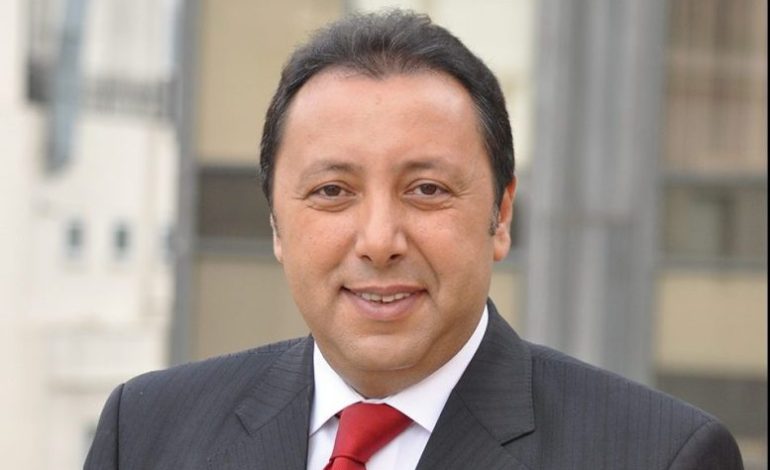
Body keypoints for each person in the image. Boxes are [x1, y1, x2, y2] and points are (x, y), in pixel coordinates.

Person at [85, 10, 744, 470]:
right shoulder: (145, 432)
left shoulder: (659, 455)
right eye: (332, 191)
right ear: (276, 223)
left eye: (426, 189)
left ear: (501, 215)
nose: (379, 241)